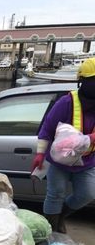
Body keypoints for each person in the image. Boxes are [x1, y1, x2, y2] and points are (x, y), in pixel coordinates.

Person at [32, 58, 95, 233]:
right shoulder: (66, 102)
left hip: (87, 161)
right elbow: (47, 128)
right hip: (60, 161)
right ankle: (51, 226)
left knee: (88, 193)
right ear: (82, 81)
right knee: (55, 193)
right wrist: (40, 154)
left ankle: (61, 215)